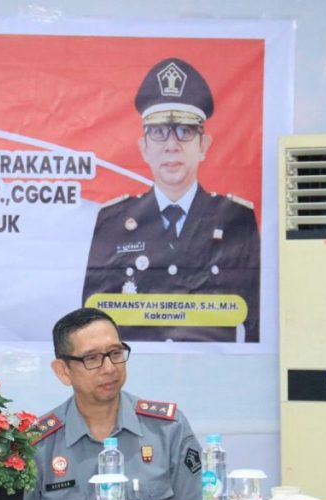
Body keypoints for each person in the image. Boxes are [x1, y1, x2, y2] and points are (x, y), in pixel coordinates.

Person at [82, 57, 260, 343]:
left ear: (203, 145)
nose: (172, 145)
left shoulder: (236, 219)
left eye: (185, 131)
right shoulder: (113, 220)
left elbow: (255, 323)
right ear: (144, 148)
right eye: (158, 132)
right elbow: (92, 323)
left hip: (214, 366)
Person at [23, 307, 201, 500]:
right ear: (63, 371)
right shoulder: (37, 444)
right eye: (91, 358)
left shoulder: (168, 429)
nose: (109, 368)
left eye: (115, 353)